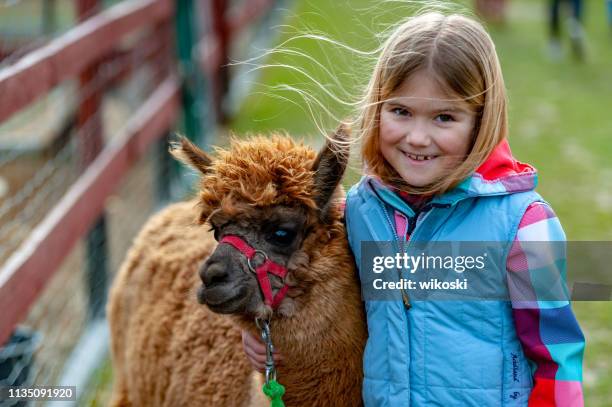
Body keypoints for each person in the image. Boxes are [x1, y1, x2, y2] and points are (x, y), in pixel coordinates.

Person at [242, 11, 585, 406]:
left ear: (480, 121)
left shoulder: (523, 225)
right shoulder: (360, 213)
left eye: (444, 117)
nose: (418, 137)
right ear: (377, 108)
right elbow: (310, 289)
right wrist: (258, 332)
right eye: (401, 111)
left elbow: (555, 355)